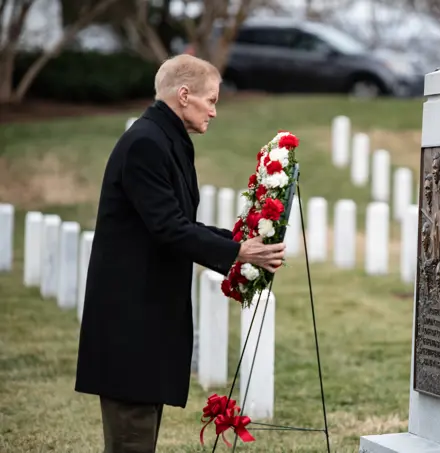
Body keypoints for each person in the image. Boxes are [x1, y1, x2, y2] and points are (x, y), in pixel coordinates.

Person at [74, 54, 285, 453]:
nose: (215, 111)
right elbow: (169, 228)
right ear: (183, 94)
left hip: (146, 318)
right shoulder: (146, 143)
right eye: (211, 100)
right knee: (131, 443)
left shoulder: (165, 138)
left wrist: (241, 243)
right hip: (130, 321)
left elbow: (179, 220)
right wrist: (238, 251)